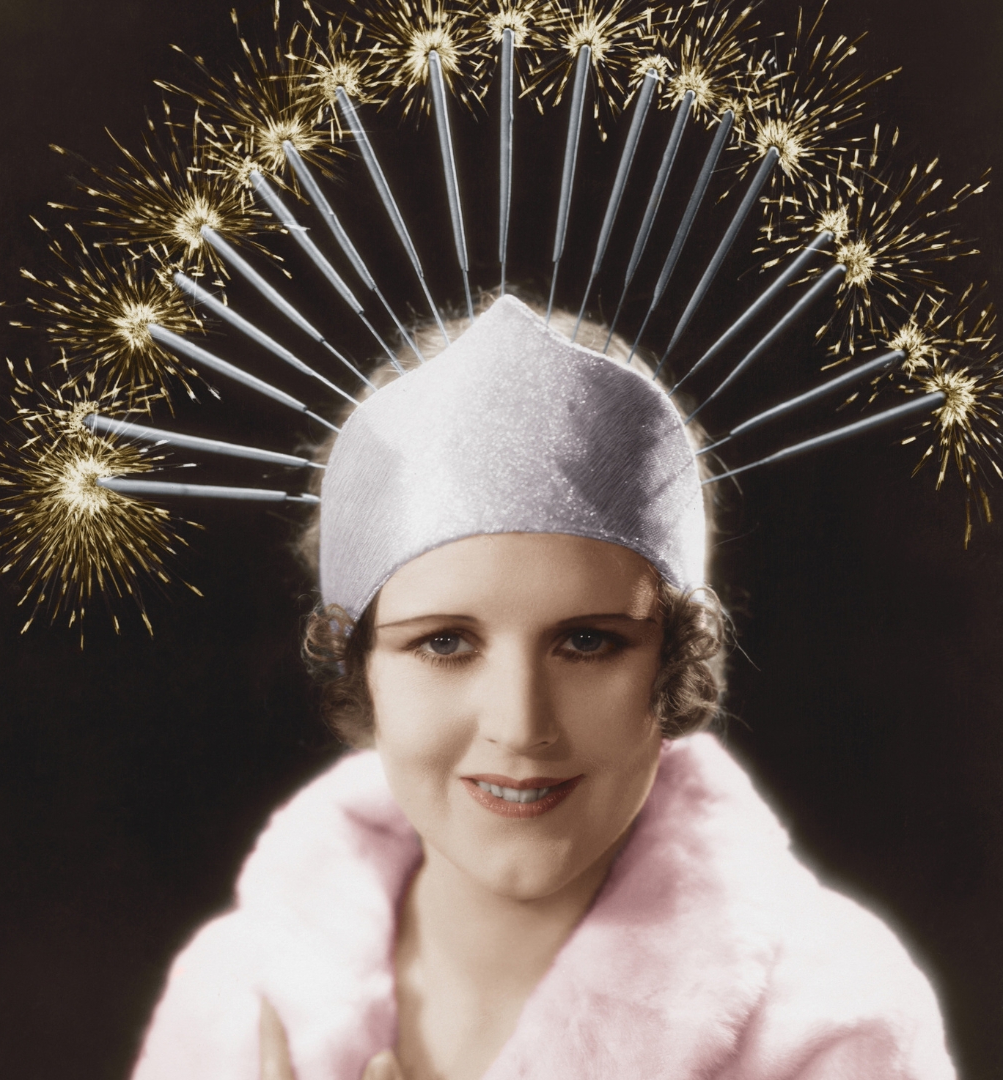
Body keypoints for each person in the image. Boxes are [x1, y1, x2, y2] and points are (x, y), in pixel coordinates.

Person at [129, 295, 955, 1080]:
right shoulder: (229, 1006)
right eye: (444, 643)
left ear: (673, 665)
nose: (520, 726)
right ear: (359, 665)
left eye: (587, 642)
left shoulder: (837, 1028)